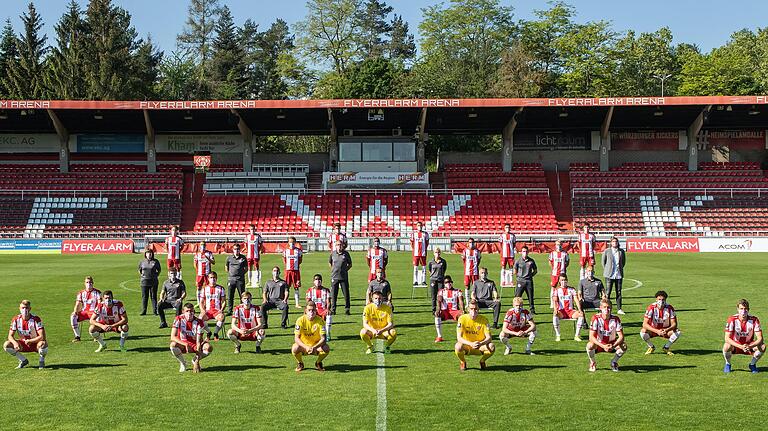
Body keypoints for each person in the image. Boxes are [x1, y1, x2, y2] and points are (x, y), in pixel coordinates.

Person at [723, 299, 765, 374]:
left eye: (745, 309)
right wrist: (740, 346)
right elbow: (727, 338)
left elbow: (760, 338)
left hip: (749, 346)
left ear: (748, 310)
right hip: (736, 345)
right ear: (737, 309)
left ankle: (752, 365)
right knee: (726, 346)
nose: (743, 311)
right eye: (741, 309)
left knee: (762, 347)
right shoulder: (732, 319)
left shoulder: (754, 320)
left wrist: (750, 346)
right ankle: (728, 364)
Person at [586, 299, 627, 372]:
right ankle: (592, 362)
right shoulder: (595, 318)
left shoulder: (616, 319)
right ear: (600, 308)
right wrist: (603, 346)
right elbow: (591, 337)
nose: (606, 309)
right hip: (599, 344)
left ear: (611, 308)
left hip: (611, 344)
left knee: (624, 346)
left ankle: (614, 362)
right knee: (590, 345)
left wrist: (613, 346)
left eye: (608, 307)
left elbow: (621, 337)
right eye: (604, 307)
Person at [4, 300, 47, 369]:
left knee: (43, 344)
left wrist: (31, 341)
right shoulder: (16, 319)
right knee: (7, 345)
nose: (25, 310)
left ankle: (41, 361)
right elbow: (10, 336)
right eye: (23, 308)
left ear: (30, 309)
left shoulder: (36, 319)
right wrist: (15, 343)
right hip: (23, 344)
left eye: (26, 308)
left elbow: (42, 336)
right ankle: (23, 360)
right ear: (19, 308)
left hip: (36, 344)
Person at [170, 303, 211, 373]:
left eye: (191, 311)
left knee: (209, 347)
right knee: (173, 345)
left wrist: (197, 361)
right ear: (183, 311)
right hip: (183, 343)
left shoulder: (199, 322)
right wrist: (185, 344)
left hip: (195, 344)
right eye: (187, 311)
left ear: (194, 312)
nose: (189, 313)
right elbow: (172, 337)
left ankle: (194, 360)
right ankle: (183, 363)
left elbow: (198, 342)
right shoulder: (178, 319)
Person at [455, 300, 495, 371]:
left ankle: (482, 361)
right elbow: (459, 338)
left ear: (478, 309)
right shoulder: (462, 318)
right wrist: (471, 343)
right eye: (471, 309)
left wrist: (481, 343)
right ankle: (463, 362)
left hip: (480, 346)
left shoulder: (484, 319)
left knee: (491, 346)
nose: (473, 311)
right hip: (467, 346)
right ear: (468, 309)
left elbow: (489, 337)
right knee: (458, 346)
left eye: (475, 309)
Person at [291, 301, 330, 372]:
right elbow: (296, 338)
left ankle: (318, 363)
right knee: (295, 348)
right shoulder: (300, 320)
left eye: (313, 310)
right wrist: (306, 347)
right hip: (304, 347)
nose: (311, 312)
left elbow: (323, 339)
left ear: (316, 310)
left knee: (326, 348)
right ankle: (300, 363)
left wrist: (314, 347)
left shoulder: (320, 321)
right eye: (309, 310)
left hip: (316, 347)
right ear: (305, 310)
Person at [640, 290, 680, 355]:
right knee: (643, 332)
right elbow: (644, 324)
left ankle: (666, 347)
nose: (661, 301)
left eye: (663, 299)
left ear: (666, 300)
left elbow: (674, 324)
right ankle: (651, 347)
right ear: (656, 299)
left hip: (665, 330)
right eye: (659, 299)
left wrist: (666, 330)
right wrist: (657, 331)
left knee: (677, 332)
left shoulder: (670, 308)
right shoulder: (651, 308)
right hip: (654, 330)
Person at [552, 275, 585, 342]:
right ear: (559, 281)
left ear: (567, 280)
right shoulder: (557, 290)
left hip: (570, 311)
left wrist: (579, 310)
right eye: (562, 280)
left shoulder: (572, 289)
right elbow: (555, 301)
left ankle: (577, 335)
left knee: (581, 315)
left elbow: (576, 300)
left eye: (564, 280)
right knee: (555, 315)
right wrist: (555, 310)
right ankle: (558, 335)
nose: (563, 282)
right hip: (562, 311)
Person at [70, 276, 101, 342]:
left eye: (90, 282)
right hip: (84, 312)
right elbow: (77, 304)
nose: (89, 284)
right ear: (84, 283)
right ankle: (77, 336)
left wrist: (97, 311)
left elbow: (100, 303)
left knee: (98, 317)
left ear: (93, 283)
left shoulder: (97, 292)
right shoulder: (81, 293)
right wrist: (75, 311)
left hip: (94, 312)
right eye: (87, 282)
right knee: (73, 316)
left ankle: (96, 335)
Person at [197, 271, 226, 340]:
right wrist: (202, 311)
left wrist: (221, 310)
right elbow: (201, 302)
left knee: (222, 317)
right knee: (200, 319)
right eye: (211, 278)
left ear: (216, 278)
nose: (213, 279)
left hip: (217, 311)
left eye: (214, 278)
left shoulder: (221, 288)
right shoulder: (204, 289)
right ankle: (208, 332)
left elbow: (224, 301)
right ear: (208, 279)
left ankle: (216, 333)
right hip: (208, 311)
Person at [434, 275, 464, 343]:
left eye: (450, 282)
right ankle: (439, 336)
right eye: (447, 282)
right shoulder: (441, 291)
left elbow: (461, 301)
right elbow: (438, 301)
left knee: (462, 316)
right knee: (437, 314)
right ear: (444, 284)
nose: (449, 283)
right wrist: (438, 309)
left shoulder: (458, 291)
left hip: (454, 311)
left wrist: (462, 310)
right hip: (445, 311)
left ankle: (461, 336)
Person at [602, 236, 626, 315]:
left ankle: (619, 309)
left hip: (618, 274)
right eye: (613, 242)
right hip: (609, 275)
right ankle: (606, 308)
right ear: (611, 243)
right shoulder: (607, 251)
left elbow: (623, 262)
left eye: (616, 241)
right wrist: (607, 269)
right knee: (608, 292)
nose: (614, 243)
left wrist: (619, 269)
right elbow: (603, 262)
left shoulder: (621, 251)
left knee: (618, 292)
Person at [328, 240, 353, 316]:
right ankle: (333, 309)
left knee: (346, 294)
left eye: (340, 245)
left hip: (343, 277)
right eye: (337, 245)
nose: (339, 246)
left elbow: (350, 264)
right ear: (335, 246)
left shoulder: (346, 254)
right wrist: (333, 269)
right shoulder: (333, 253)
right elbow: (329, 262)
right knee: (334, 294)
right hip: (334, 277)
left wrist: (345, 270)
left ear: (342, 245)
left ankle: (347, 309)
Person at [306, 274, 333, 340]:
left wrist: (327, 309)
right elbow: (308, 302)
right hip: (314, 310)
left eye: (319, 279)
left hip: (323, 310)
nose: (317, 281)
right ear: (313, 281)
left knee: (329, 313)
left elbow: (328, 302)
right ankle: (309, 334)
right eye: (316, 279)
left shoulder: (326, 290)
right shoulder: (310, 290)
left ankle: (327, 333)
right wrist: (311, 310)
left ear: (321, 281)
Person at [513, 246, 538, 314]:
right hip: (520, 281)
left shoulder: (531, 261)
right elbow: (515, 270)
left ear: (528, 252)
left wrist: (530, 275)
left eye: (526, 251)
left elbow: (535, 270)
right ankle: (515, 309)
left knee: (530, 296)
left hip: (529, 281)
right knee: (517, 297)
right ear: (521, 252)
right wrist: (519, 276)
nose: (525, 253)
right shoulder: (518, 261)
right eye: (523, 251)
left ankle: (532, 310)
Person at [225, 244, 248, 315]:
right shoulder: (229, 258)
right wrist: (232, 273)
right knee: (230, 296)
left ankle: (242, 309)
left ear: (240, 250)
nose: (236, 250)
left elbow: (246, 269)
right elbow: (226, 268)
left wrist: (240, 273)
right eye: (235, 249)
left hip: (240, 279)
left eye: (238, 249)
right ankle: (229, 310)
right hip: (231, 279)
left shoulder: (243, 258)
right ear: (233, 250)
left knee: (242, 295)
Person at [138, 248, 161, 315]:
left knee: (153, 296)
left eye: (150, 253)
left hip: (153, 282)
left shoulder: (155, 261)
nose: (149, 254)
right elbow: (139, 270)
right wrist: (143, 275)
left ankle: (155, 311)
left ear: (152, 254)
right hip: (144, 282)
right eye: (148, 253)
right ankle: (144, 311)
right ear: (145, 254)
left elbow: (159, 270)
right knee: (144, 297)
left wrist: (156, 275)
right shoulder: (142, 261)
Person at [548, 240, 569, 308]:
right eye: (557, 244)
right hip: (555, 274)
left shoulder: (565, 253)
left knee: (563, 288)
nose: (558, 246)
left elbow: (567, 262)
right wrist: (554, 268)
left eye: (560, 244)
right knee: (553, 287)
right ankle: (552, 303)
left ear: (561, 245)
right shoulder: (552, 253)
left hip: (562, 273)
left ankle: (561, 303)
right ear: (555, 245)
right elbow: (550, 262)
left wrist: (563, 268)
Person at [283, 236, 303, 308]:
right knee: (286, 287)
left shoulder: (299, 251)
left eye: (293, 242)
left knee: (296, 287)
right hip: (288, 271)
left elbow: (300, 260)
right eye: (290, 242)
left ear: (295, 242)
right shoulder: (285, 251)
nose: (292, 243)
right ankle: (285, 302)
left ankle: (297, 304)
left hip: (296, 272)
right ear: (288, 243)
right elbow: (284, 260)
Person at [409, 221, 430, 286]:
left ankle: (423, 280)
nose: (419, 227)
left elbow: (427, 242)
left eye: (420, 225)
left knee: (424, 267)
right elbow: (412, 243)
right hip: (415, 253)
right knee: (415, 268)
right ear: (416, 226)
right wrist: (414, 249)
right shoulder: (413, 234)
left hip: (423, 253)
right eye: (418, 225)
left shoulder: (425, 234)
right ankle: (415, 281)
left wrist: (424, 249)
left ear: (422, 226)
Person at [427, 248, 447, 313]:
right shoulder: (431, 262)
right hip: (433, 280)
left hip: (440, 280)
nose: (437, 254)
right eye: (436, 252)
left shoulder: (443, 261)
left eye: (438, 252)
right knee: (433, 296)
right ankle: (434, 309)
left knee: (441, 295)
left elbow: (444, 269)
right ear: (433, 253)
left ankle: (441, 309)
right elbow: (430, 270)